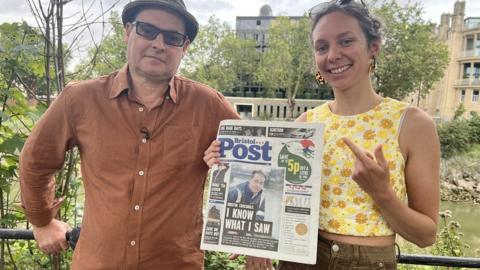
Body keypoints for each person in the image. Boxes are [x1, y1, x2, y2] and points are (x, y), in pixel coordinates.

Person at [204, 0, 440, 269]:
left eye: (346, 41)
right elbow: (277, 197)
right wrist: (226, 162)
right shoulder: (305, 123)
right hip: (299, 258)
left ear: (373, 47)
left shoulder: (412, 124)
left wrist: (382, 193)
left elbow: (426, 235)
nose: (333, 54)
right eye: (322, 47)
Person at [19, 0, 239, 269]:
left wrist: (254, 241)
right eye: (147, 30)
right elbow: (36, 160)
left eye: (172, 37)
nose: (158, 43)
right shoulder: (80, 99)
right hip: (97, 263)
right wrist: (42, 221)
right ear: (127, 32)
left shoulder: (208, 106)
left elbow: (256, 164)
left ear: (184, 47)